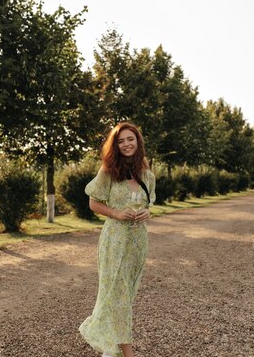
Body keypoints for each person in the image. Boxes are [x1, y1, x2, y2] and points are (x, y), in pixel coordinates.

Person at [79, 122, 156, 357]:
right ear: (116, 145)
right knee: (117, 295)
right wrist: (116, 213)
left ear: (138, 141)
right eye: (121, 141)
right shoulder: (108, 171)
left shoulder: (147, 175)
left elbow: (149, 203)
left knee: (126, 297)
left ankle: (111, 349)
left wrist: (147, 213)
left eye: (130, 139)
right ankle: (126, 354)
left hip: (137, 242)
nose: (126, 144)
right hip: (114, 240)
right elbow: (93, 202)